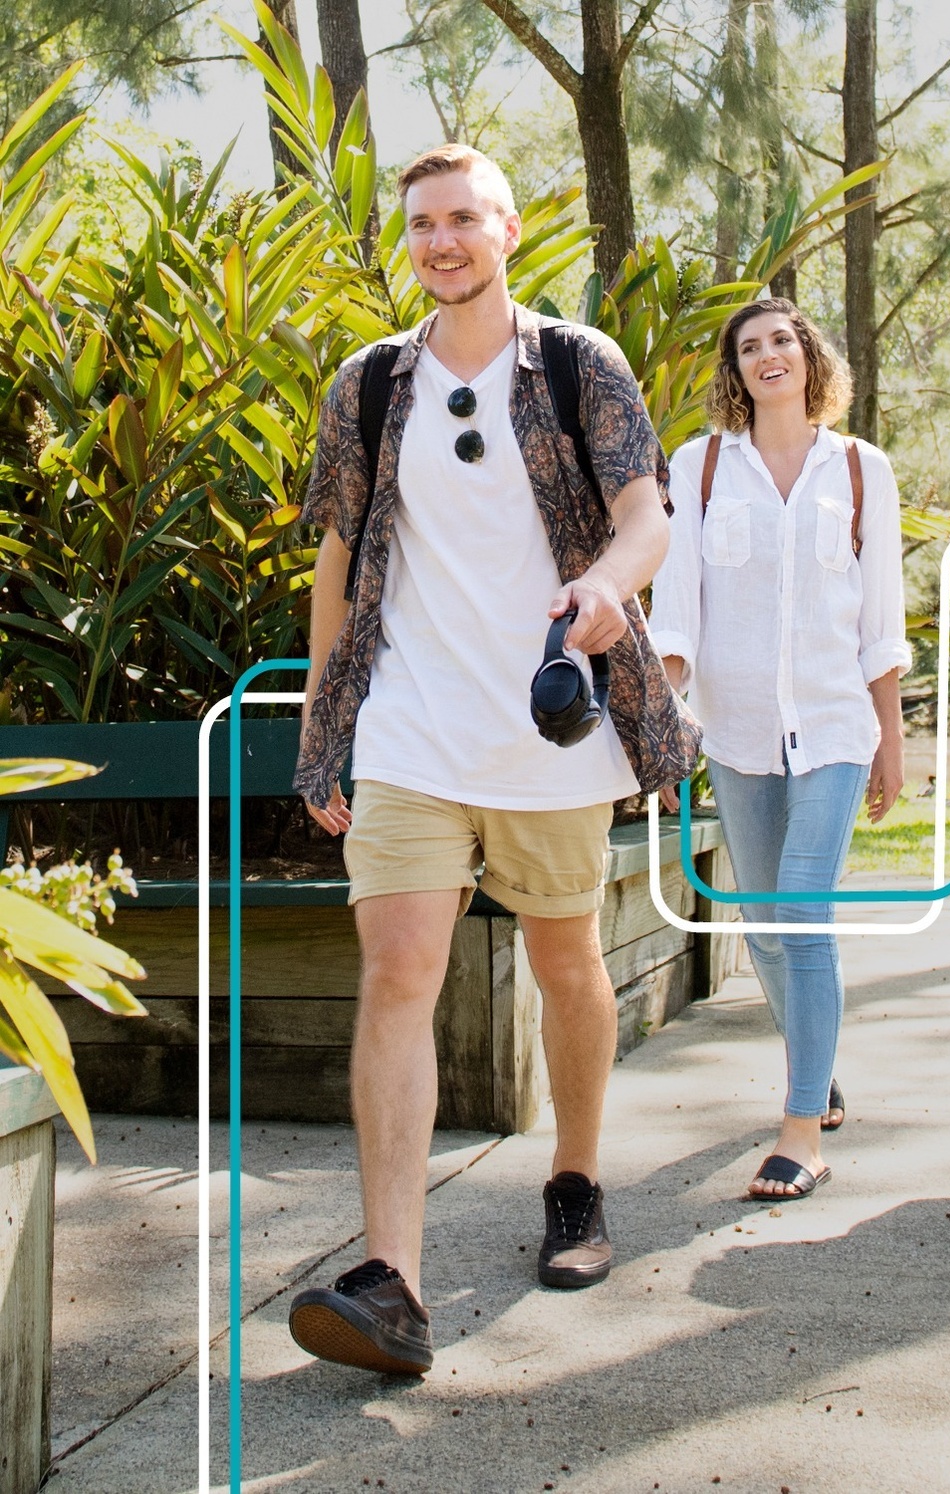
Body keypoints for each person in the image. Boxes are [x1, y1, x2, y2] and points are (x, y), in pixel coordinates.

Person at [286, 144, 701, 1375]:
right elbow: (340, 560)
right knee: (400, 968)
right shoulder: (369, 386)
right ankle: (392, 1278)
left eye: (464, 218)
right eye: (422, 225)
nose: (442, 241)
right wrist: (327, 730)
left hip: (550, 727)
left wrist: (608, 587)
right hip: (413, 726)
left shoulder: (580, 365)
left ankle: (574, 1179)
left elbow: (646, 514)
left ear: (509, 229)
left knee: (567, 962)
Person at [650, 297, 911, 1201]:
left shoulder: (862, 470)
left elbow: (881, 619)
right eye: (750, 346)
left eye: (782, 342)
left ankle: (801, 1131)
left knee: (802, 907)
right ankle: (817, 1062)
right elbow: (677, 608)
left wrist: (893, 739)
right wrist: (667, 716)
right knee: (763, 923)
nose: (769, 356)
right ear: (736, 369)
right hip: (737, 728)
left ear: (809, 358)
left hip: (837, 724)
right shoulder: (703, 466)